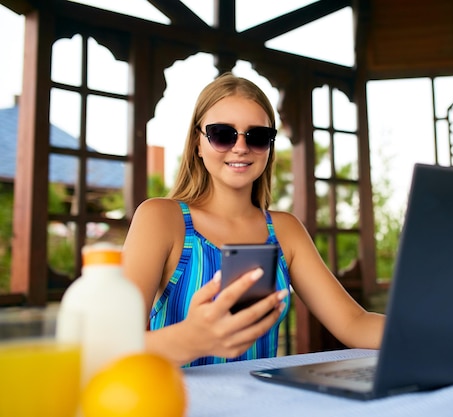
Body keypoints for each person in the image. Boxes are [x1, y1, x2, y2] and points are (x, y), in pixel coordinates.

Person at [122, 72, 385, 367]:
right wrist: (190, 338)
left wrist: (435, 333)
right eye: (222, 133)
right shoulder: (160, 218)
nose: (241, 147)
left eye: (258, 136)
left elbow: (354, 322)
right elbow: (114, 345)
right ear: (197, 143)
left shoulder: (286, 230)